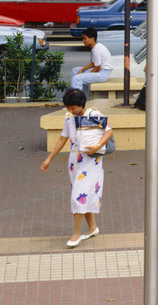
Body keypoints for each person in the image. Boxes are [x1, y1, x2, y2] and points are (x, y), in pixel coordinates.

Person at [40, 88, 114, 247]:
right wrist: (49, 158)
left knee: (78, 195)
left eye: (73, 107)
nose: (70, 110)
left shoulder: (94, 115)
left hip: (91, 161)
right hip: (74, 161)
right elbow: (62, 139)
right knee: (82, 194)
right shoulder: (69, 117)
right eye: (68, 107)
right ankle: (92, 227)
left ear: (82, 104)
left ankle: (76, 234)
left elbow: (109, 131)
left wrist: (98, 146)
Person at [70, 27, 113, 96]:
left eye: (85, 38)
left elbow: (97, 68)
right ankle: (75, 94)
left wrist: (85, 75)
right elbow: (93, 64)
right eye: (83, 38)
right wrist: (82, 70)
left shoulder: (98, 49)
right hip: (100, 71)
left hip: (103, 74)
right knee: (75, 70)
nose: (83, 41)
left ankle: (76, 99)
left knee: (77, 79)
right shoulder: (95, 47)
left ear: (92, 39)